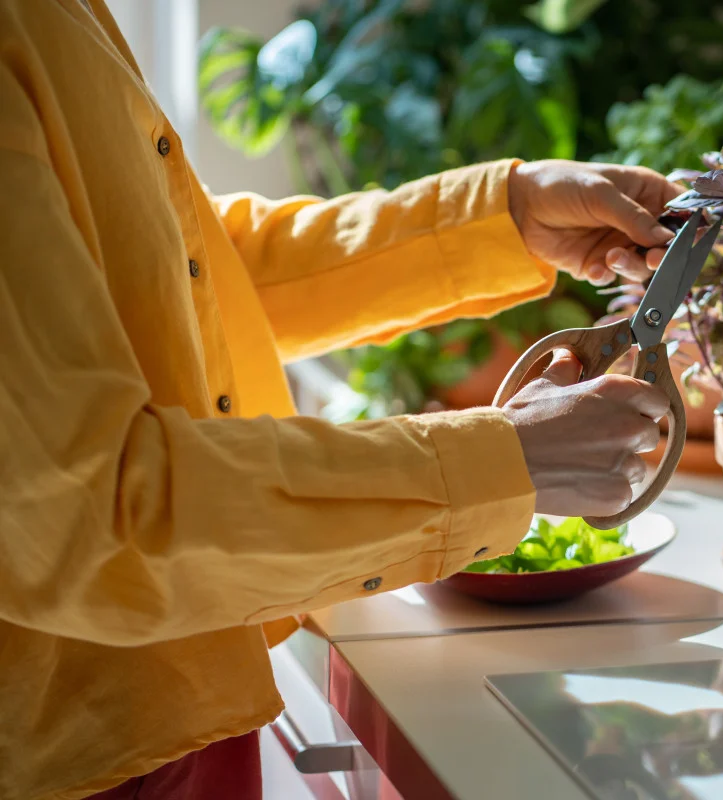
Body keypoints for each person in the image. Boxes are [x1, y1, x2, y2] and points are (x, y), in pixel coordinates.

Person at [0, 2, 682, 798]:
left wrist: (506, 217)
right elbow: (93, 509)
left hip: (169, 695)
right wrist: (509, 455)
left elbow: (174, 272)